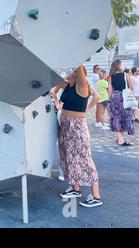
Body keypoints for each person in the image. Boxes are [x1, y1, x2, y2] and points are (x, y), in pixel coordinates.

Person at [55, 65, 102, 208]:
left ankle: (96, 196)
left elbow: (78, 64)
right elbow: (53, 80)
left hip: (77, 127)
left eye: (71, 70)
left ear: (76, 73)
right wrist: (56, 101)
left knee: (84, 158)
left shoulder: (82, 85)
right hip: (65, 126)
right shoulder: (69, 84)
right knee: (68, 156)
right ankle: (75, 188)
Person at [109, 60, 135, 146]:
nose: (124, 66)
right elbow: (132, 88)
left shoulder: (110, 77)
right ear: (118, 66)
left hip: (114, 97)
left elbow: (110, 91)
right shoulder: (126, 75)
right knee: (125, 116)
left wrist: (111, 101)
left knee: (117, 117)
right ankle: (120, 140)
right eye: (122, 64)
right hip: (124, 97)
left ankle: (119, 138)